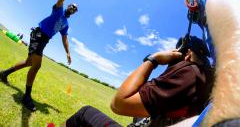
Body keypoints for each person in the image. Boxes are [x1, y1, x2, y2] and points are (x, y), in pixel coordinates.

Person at [61, 36, 214, 127]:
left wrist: (154, 59)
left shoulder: (189, 72)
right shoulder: (207, 80)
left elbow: (119, 103)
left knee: (85, 113)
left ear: (186, 54)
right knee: (141, 116)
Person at [0, 0, 80, 111]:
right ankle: (26, 97)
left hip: (45, 40)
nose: (72, 8)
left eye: (75, 9)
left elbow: (64, 38)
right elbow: (60, 1)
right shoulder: (58, 10)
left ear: (74, 13)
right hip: (39, 34)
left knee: (28, 63)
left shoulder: (66, 24)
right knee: (36, 66)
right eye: (71, 6)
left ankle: (3, 74)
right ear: (68, 6)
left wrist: (68, 52)